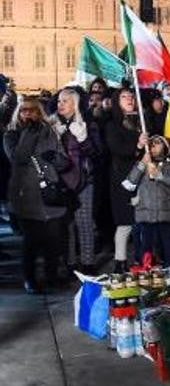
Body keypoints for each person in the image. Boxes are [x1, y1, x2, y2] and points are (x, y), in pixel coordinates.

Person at [4, 97, 70, 292]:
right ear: (18, 112)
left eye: (32, 110)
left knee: (53, 239)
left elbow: (64, 161)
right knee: (31, 240)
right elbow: (18, 157)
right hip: (26, 194)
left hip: (49, 191)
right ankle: (30, 279)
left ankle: (52, 275)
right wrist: (29, 134)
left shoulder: (49, 131)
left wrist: (57, 159)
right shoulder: (12, 134)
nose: (28, 113)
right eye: (24, 110)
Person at [53, 87, 101, 272]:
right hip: (60, 181)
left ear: (76, 104)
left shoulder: (88, 124)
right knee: (66, 224)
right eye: (59, 101)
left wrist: (83, 138)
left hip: (84, 179)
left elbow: (97, 153)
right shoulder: (52, 124)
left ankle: (88, 263)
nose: (61, 104)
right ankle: (70, 263)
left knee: (84, 222)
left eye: (65, 101)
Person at [104, 87, 145, 270]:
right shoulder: (113, 124)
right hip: (123, 177)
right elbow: (116, 148)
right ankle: (120, 261)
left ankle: (143, 259)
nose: (129, 99)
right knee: (125, 222)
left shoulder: (142, 121)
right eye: (124, 97)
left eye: (131, 96)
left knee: (143, 222)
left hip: (144, 176)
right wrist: (137, 145)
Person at [123, 135, 170, 265]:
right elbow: (129, 183)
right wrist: (142, 163)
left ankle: (169, 269)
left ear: (165, 147)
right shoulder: (142, 164)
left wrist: (159, 175)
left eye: (157, 143)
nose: (153, 146)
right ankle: (145, 271)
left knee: (167, 244)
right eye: (151, 143)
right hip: (146, 214)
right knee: (146, 247)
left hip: (165, 213)